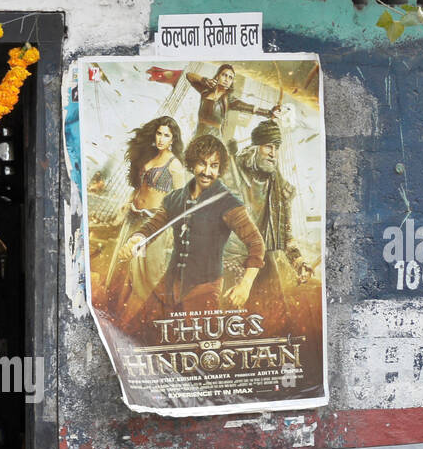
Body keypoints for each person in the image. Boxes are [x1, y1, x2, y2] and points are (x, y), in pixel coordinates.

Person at [117, 134, 264, 337]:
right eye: (202, 164)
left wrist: (245, 284)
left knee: (201, 345)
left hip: (204, 289)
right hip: (169, 285)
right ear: (192, 163)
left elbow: (256, 244)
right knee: (138, 335)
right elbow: (152, 227)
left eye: (214, 166)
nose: (207, 171)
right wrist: (137, 238)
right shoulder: (176, 198)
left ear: (220, 169)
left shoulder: (228, 203)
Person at [96, 116, 187, 325]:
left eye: (167, 135)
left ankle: (136, 321)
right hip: (132, 218)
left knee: (146, 274)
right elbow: (140, 188)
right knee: (123, 267)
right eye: (159, 133)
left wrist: (175, 231)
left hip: (152, 224)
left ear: (173, 139)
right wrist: (127, 203)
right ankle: (116, 316)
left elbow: (180, 202)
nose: (162, 139)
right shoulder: (149, 155)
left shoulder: (174, 166)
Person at [233, 119, 312, 330]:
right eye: (268, 146)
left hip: (263, 268)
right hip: (231, 264)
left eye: (276, 148)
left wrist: (299, 263)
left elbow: (286, 236)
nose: (273, 153)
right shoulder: (233, 176)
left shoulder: (280, 190)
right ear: (254, 148)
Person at [183, 64, 280, 145]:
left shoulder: (229, 99)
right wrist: (204, 80)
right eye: (224, 75)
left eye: (230, 78)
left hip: (214, 139)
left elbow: (250, 108)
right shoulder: (205, 91)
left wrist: (269, 113)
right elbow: (189, 76)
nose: (227, 79)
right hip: (198, 135)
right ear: (217, 76)